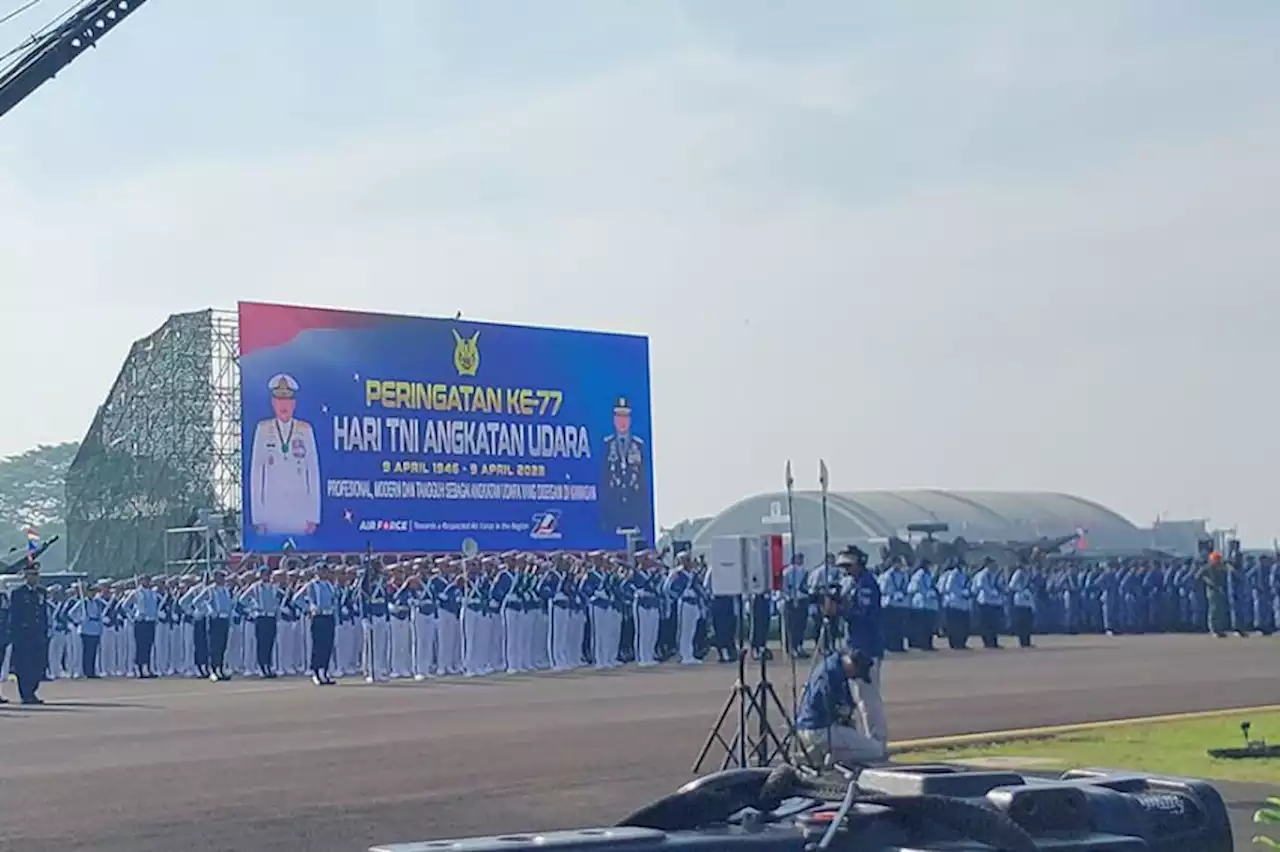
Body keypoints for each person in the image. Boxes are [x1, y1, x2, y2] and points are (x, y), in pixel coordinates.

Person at [248, 373, 321, 537]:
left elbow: (313, 473)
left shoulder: (305, 430)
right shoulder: (263, 430)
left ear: (294, 404)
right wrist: (258, 517)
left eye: (287, 400)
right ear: (273, 403)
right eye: (280, 400)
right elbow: (257, 475)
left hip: (299, 511)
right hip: (272, 511)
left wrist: (313, 516)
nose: (284, 406)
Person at [795, 650, 887, 768]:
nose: (854, 677)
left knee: (852, 732)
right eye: (857, 673)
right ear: (852, 665)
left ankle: (819, 752)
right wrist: (839, 712)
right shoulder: (831, 673)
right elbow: (820, 701)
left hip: (812, 728)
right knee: (876, 750)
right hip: (819, 729)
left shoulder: (835, 666)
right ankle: (832, 754)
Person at [600, 396, 650, 539]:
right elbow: (603, 480)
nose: (622, 421)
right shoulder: (607, 445)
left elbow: (643, 482)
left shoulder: (638, 445)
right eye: (619, 416)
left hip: (634, 511)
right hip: (613, 511)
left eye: (625, 416)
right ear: (614, 419)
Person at [10, 562, 50, 704]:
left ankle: (32, 690)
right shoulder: (18, 593)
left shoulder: (41, 592)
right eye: (31, 575)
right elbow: (14, 615)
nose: (34, 578)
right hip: (23, 635)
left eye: (36, 575)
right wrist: (14, 634)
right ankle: (26, 694)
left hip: (38, 634)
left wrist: (45, 630)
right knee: (24, 665)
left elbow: (43, 613)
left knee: (38, 665)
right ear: (26, 576)